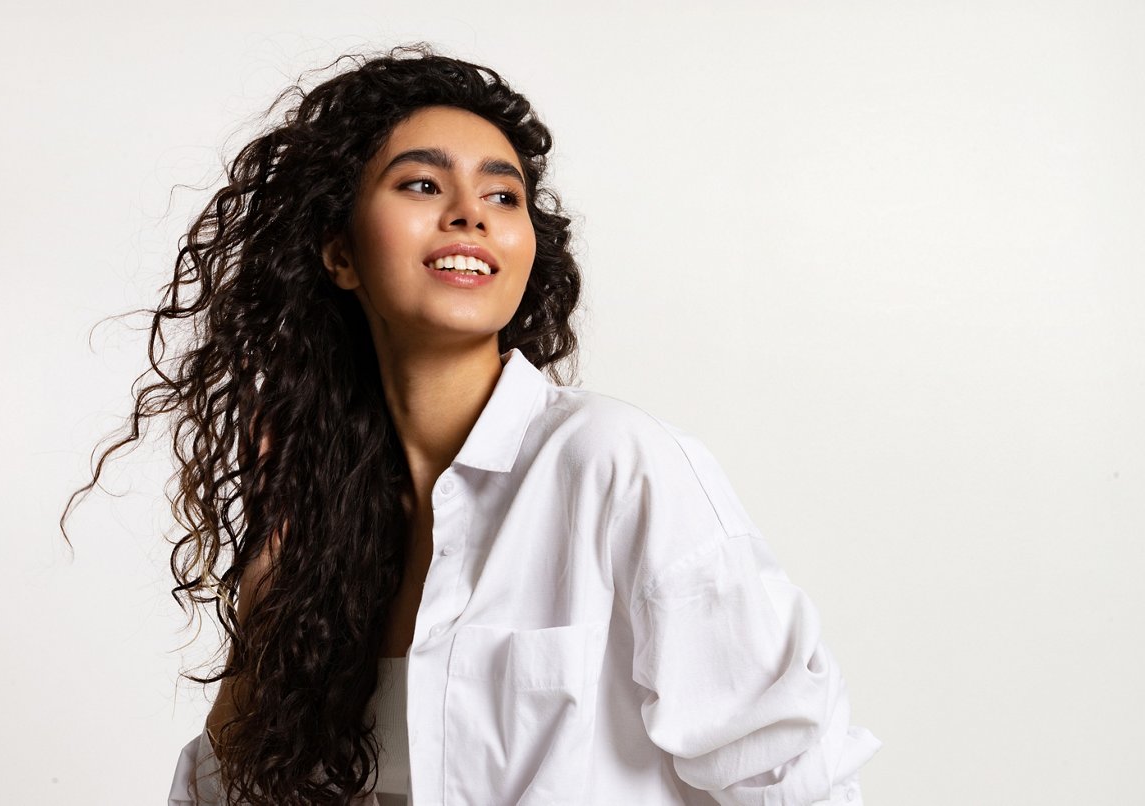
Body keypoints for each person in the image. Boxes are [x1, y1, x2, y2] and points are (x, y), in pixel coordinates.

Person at [61, 43, 882, 806]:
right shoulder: (328, 527)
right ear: (339, 253)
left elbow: (795, 777)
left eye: (502, 194)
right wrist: (267, 607)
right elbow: (221, 794)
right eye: (422, 185)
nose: (471, 214)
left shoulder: (613, 466)